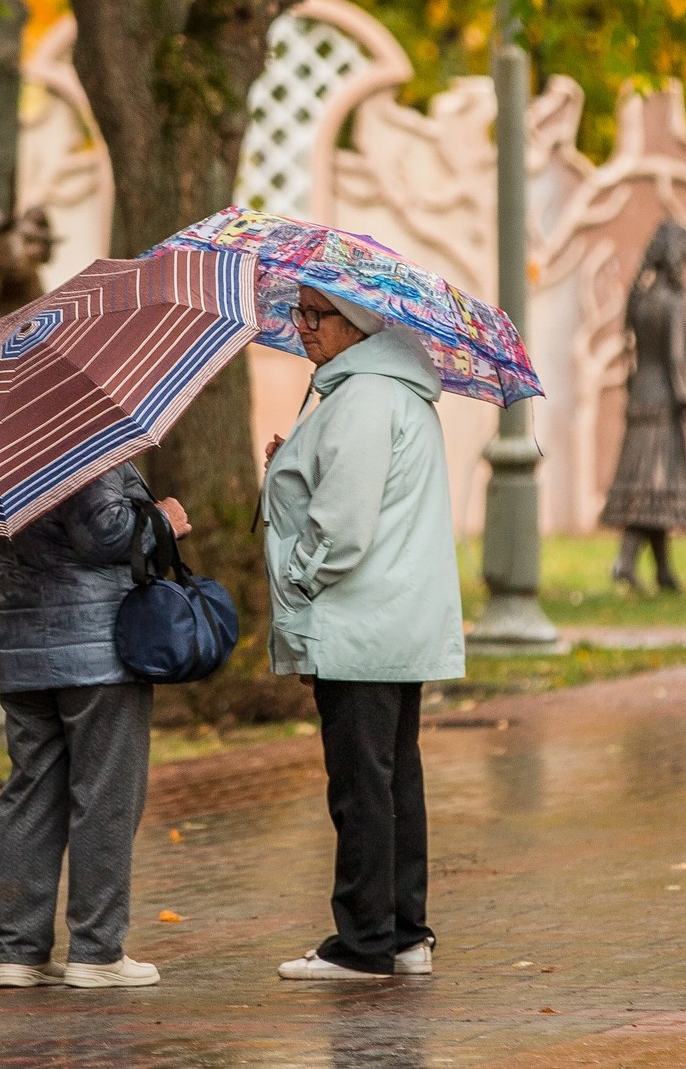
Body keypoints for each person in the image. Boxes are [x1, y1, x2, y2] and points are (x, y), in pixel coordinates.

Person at [261, 284, 465, 980]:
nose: (302, 327)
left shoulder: (362, 399)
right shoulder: (389, 392)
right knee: (393, 779)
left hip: (359, 621)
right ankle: (404, 934)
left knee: (360, 787)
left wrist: (295, 578)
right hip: (395, 620)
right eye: (300, 313)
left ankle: (364, 942)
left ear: (358, 326)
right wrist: (291, 468)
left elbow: (340, 531)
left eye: (316, 317)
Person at [0, 462, 191, 990]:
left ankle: (20, 952)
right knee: (105, 794)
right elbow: (102, 530)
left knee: (30, 792)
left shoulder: (0, 449)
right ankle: (97, 952)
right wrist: (163, 519)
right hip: (96, 650)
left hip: (21, 645)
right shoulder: (82, 440)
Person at [600, 220, 686, 594]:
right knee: (655, 485)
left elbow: (631, 350)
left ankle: (662, 571)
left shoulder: (640, 299)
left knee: (650, 487)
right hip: (663, 405)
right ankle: (626, 561)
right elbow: (675, 358)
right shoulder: (673, 302)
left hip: (640, 399)